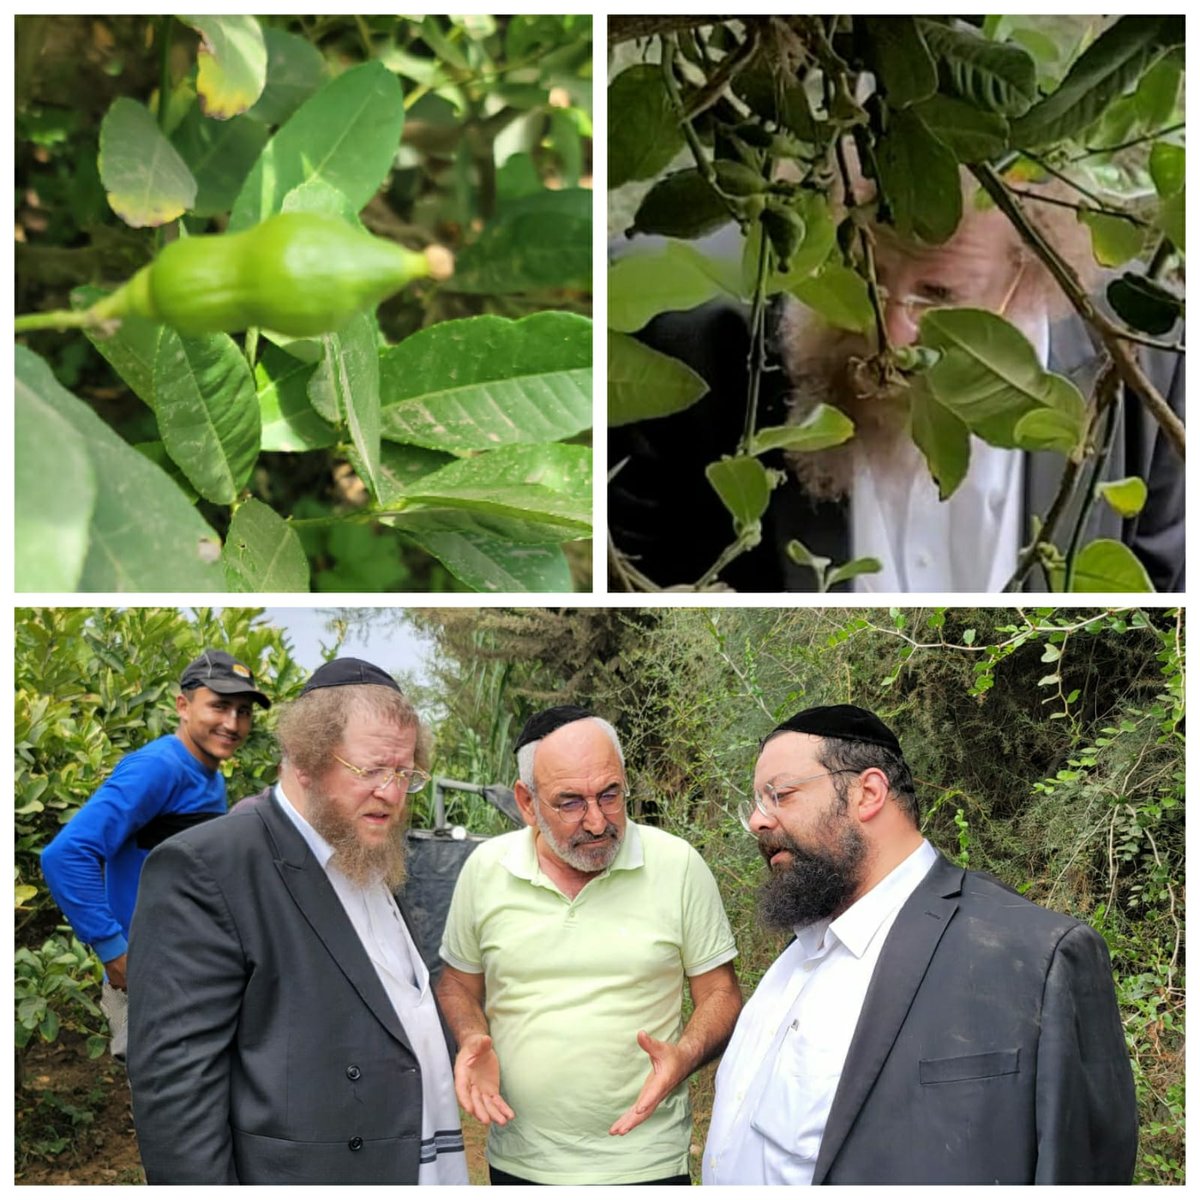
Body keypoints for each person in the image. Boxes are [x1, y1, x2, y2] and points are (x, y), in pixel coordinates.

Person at [610, 187, 1183, 593]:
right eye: (867, 274)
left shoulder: (1144, 362)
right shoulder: (692, 337)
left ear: (1029, 278)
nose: (891, 332)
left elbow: (1157, 610)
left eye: (938, 294)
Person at [702, 703, 1138, 1185]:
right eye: (756, 804)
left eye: (779, 795)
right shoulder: (795, 959)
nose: (757, 822)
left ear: (867, 793)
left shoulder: (1034, 957)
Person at [126, 657, 467, 1186]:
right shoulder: (208, 867)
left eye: (404, 773)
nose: (393, 793)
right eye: (371, 770)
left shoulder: (366, 851)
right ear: (305, 760)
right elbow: (177, 1093)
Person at [436, 705, 742, 1185]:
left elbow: (721, 993)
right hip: (522, 1164)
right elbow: (457, 983)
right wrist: (472, 1035)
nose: (598, 822)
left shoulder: (677, 865)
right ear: (526, 802)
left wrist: (684, 1055)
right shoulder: (485, 870)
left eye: (610, 794)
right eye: (570, 802)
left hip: (648, 1165)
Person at [40, 649, 270, 1060]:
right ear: (183, 705)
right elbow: (66, 855)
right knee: (172, 1109)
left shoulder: (207, 775)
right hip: (156, 980)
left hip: (188, 975)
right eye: (219, 705)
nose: (233, 723)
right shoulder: (159, 767)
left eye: (243, 711)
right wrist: (116, 953)